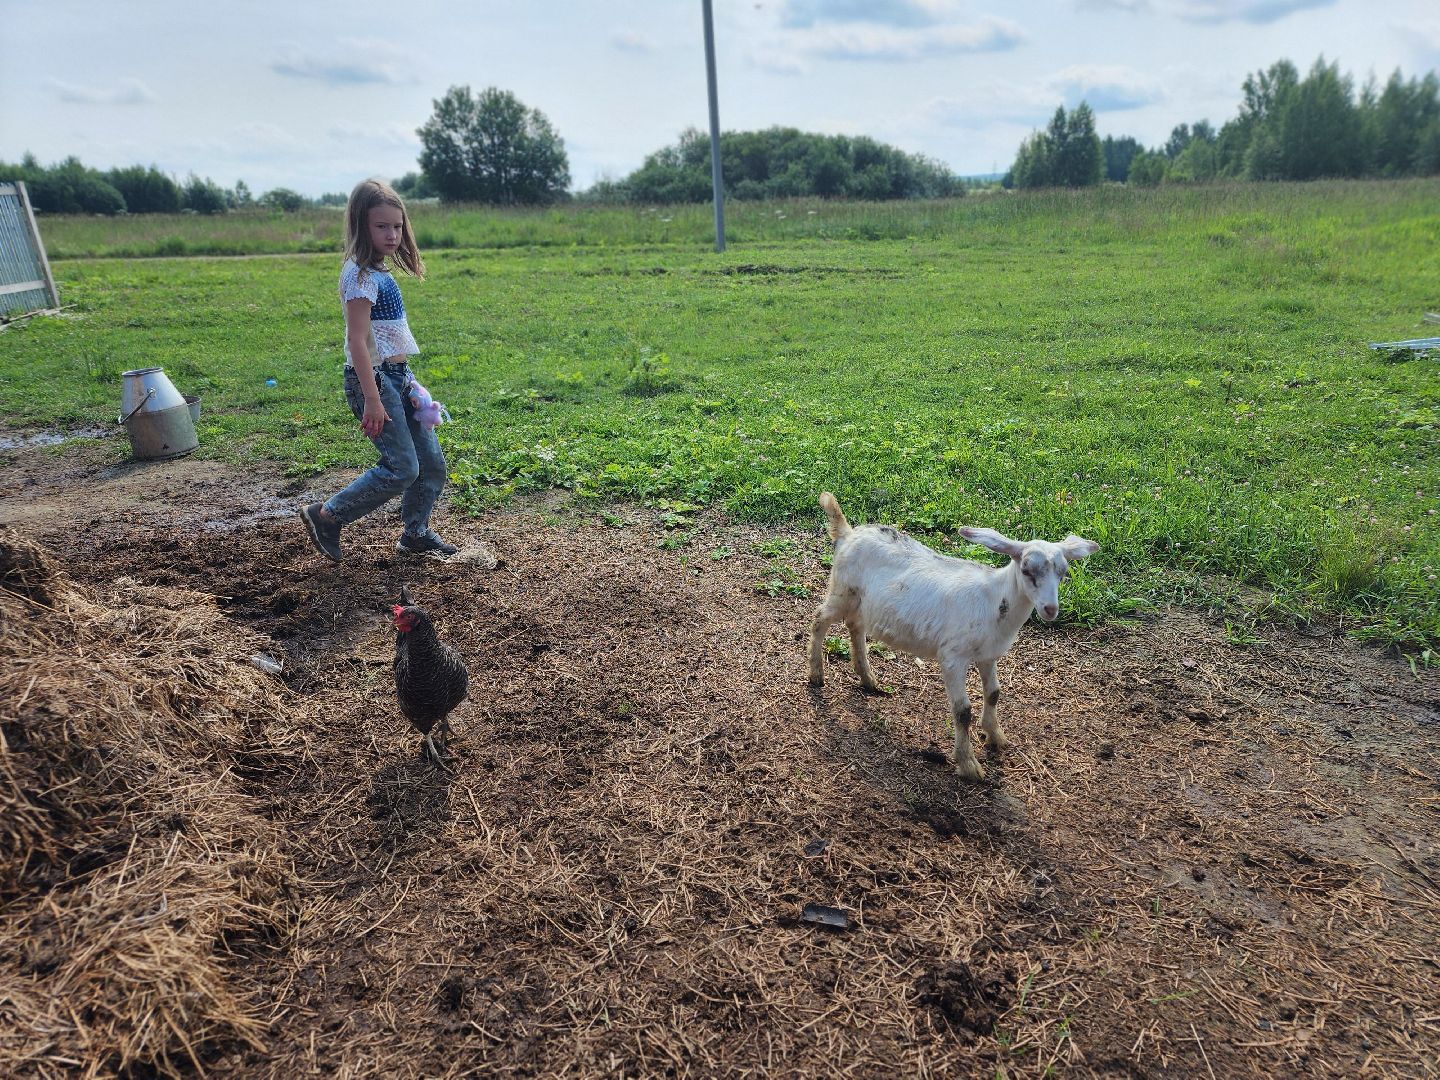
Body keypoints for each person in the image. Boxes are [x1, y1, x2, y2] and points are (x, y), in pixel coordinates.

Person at [300, 179, 457, 562]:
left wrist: (409, 382)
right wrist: (372, 398)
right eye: (381, 226)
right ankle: (327, 516)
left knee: (431, 466)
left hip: (397, 378)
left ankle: (415, 534)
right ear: (361, 225)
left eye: (397, 226)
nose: (392, 235)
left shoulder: (378, 271)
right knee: (402, 468)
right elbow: (357, 342)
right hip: (373, 381)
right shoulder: (359, 275)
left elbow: (386, 339)